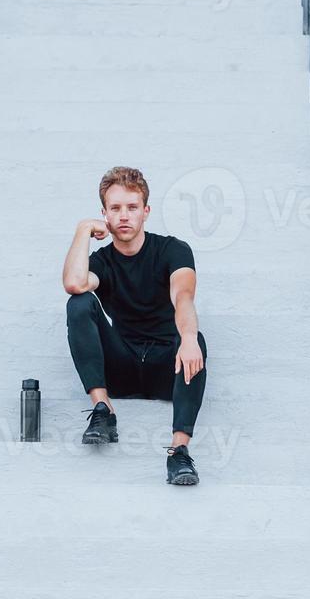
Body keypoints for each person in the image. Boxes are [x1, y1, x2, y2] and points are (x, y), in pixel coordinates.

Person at [61, 166, 207, 486]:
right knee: (79, 302)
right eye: (115, 209)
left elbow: (183, 296)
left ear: (146, 211)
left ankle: (179, 453)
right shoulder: (101, 261)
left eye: (132, 207)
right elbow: (74, 283)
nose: (124, 216)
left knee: (196, 339)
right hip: (122, 365)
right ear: (105, 214)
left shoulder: (173, 250)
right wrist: (83, 230)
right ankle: (103, 409)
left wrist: (189, 337)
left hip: (165, 367)